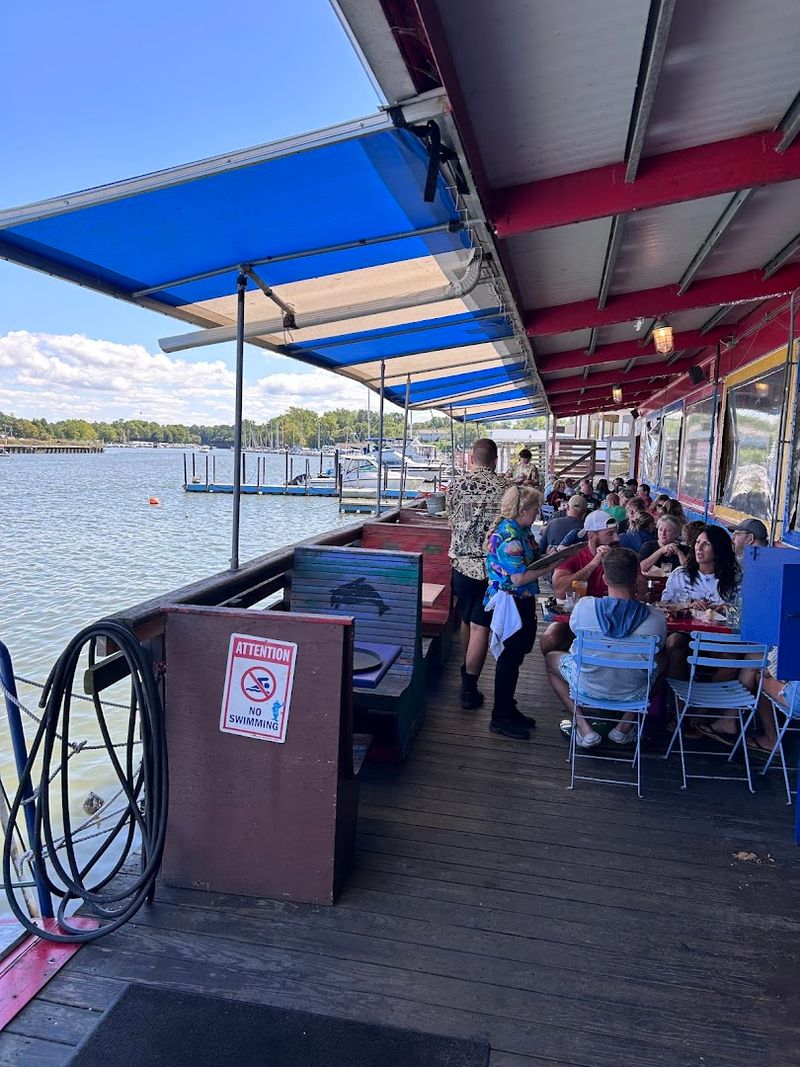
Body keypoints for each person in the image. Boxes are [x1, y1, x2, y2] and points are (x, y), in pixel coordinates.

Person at [544, 547, 667, 748]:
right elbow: (660, 646)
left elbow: (574, 629)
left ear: (605, 579)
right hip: (632, 690)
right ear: (636, 578)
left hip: (586, 686)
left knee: (551, 658)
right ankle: (624, 726)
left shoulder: (584, 607)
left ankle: (584, 728)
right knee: (663, 661)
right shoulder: (656, 619)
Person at [483, 486, 561, 739]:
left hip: (523, 599)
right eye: (536, 509)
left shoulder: (523, 531)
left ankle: (508, 706)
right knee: (509, 657)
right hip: (511, 601)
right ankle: (500, 716)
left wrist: (546, 556)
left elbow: (531, 558)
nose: (538, 513)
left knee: (516, 656)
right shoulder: (508, 537)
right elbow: (519, 577)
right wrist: (553, 565)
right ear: (523, 510)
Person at [447, 438, 506, 709]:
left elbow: (450, 519)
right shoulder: (505, 487)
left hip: (460, 564)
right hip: (490, 567)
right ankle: (469, 690)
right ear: (495, 460)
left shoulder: (456, 484)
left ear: (472, 459)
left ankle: (464, 666)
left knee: (466, 617)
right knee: (482, 625)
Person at [661, 525, 741, 679]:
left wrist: (727, 608)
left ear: (718, 549)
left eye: (706, 544)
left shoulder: (735, 579)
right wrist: (687, 605)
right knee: (674, 643)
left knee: (731, 659)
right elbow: (663, 606)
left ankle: (706, 696)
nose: (699, 548)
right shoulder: (680, 575)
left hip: (719, 637)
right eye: (697, 543)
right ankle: (677, 698)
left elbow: (742, 614)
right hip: (686, 634)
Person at [539, 511, 620, 655]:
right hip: (578, 619)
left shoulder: (623, 556)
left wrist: (614, 564)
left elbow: (641, 591)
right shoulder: (574, 555)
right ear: (591, 537)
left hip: (615, 619)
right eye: (610, 534)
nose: (616, 538)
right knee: (549, 639)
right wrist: (594, 563)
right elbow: (560, 591)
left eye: (616, 533)